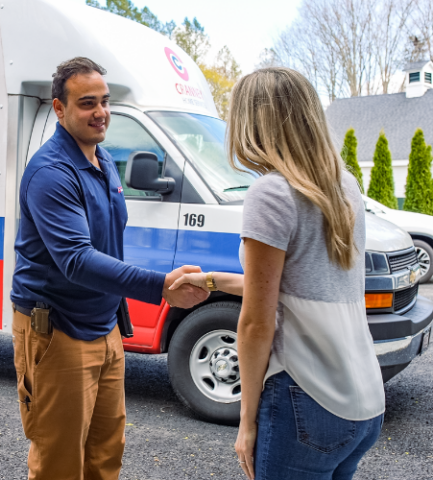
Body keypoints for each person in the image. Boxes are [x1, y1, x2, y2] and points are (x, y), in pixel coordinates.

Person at [170, 67, 385, 480]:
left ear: (251, 123)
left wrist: (246, 420)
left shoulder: (271, 192)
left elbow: (255, 322)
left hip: (306, 397)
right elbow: (296, 288)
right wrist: (212, 281)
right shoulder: (345, 186)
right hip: (362, 400)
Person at [10, 57, 209, 480]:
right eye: (86, 103)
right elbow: (76, 259)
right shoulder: (51, 172)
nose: (100, 112)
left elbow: (106, 245)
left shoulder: (101, 163)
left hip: (105, 328)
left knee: (105, 453)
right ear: (59, 109)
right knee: (59, 462)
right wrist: (160, 285)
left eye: (104, 101)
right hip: (59, 331)